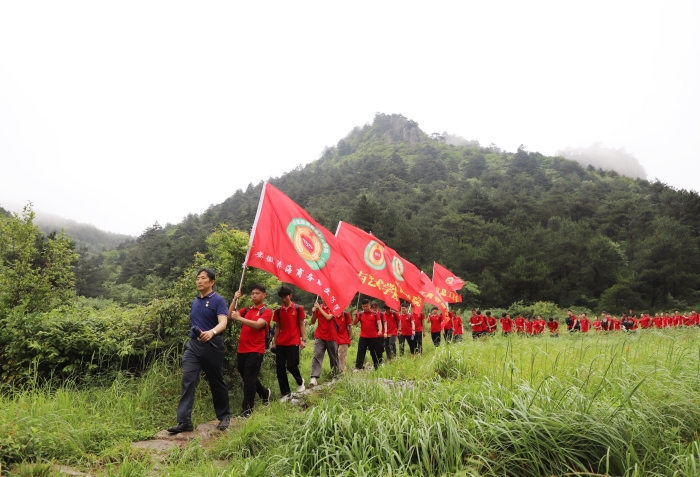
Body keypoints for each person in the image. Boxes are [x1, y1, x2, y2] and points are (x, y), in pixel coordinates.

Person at [168, 268, 231, 434]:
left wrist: (211, 332)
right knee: (188, 380)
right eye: (198, 278)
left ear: (212, 282)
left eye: (203, 278)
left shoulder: (218, 300)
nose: (199, 281)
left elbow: (223, 322)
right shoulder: (195, 302)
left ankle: (224, 416)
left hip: (212, 345)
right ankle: (184, 422)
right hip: (193, 346)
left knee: (216, 381)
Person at [229, 284, 273, 418]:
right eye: (252, 293)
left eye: (257, 293)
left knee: (248, 380)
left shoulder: (266, 311)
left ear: (264, 295)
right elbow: (230, 315)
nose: (254, 295)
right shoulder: (247, 309)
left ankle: (246, 411)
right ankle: (264, 393)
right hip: (242, 349)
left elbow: (258, 325)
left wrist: (240, 318)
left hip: (256, 350)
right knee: (248, 376)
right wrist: (234, 299)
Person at [270, 286, 307, 402]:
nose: (283, 299)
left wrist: (303, 340)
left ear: (290, 295)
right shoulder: (278, 311)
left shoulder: (298, 308)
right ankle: (286, 393)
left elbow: (301, 324)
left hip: (294, 341)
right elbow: (277, 327)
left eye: (285, 296)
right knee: (280, 368)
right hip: (281, 342)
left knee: (291, 365)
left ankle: (300, 381)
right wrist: (274, 342)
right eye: (281, 297)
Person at [309, 298, 340, 385]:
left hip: (331, 336)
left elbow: (328, 317)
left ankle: (335, 375)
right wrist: (314, 312)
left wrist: (319, 308)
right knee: (317, 355)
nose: (323, 298)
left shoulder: (333, 307)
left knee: (333, 357)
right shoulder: (319, 308)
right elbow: (312, 321)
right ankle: (314, 377)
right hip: (320, 336)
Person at [353, 299, 383, 370]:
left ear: (370, 305)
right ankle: (358, 367)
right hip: (363, 337)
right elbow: (354, 323)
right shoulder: (360, 314)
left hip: (373, 336)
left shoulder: (375, 314)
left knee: (374, 352)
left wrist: (380, 330)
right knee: (361, 352)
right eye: (363, 307)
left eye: (366, 306)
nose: (365, 308)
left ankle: (376, 366)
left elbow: (379, 323)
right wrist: (355, 315)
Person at [335, 307, 353, 372]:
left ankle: (341, 371)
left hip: (344, 338)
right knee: (335, 356)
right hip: (334, 339)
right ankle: (337, 370)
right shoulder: (332, 315)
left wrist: (350, 338)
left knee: (341, 355)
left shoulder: (346, 314)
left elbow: (350, 326)